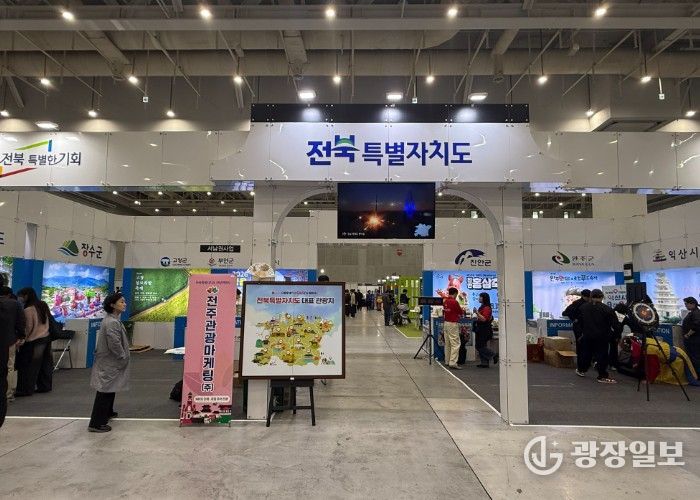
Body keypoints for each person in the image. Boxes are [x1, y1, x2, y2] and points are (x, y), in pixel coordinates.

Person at [88, 292, 131, 433]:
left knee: (110, 387)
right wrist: (122, 356)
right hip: (110, 362)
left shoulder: (112, 320)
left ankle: (107, 412)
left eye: (124, 301)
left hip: (110, 362)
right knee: (105, 390)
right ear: (112, 305)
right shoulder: (112, 322)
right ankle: (96, 423)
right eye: (121, 302)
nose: (124, 304)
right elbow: (114, 343)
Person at [15, 287, 51, 397]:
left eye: (21, 296)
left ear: (26, 296)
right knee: (44, 365)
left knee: (28, 366)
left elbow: (28, 327)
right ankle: (44, 386)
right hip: (45, 338)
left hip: (33, 340)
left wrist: (22, 340)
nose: (20, 298)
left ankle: (26, 389)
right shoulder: (42, 305)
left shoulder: (28, 310)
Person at [576, 289, 617, 383]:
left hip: (587, 335)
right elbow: (615, 325)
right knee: (602, 355)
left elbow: (578, 322)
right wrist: (615, 335)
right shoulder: (607, 309)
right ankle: (602, 376)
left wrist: (580, 334)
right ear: (602, 297)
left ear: (591, 296)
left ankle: (581, 370)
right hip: (602, 336)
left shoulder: (583, 307)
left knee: (586, 353)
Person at [0, 286, 25, 428]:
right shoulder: (13, 304)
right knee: (9, 367)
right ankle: (8, 394)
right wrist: (21, 336)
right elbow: (21, 322)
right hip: (8, 341)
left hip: (7, 340)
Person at [473, 292, 497, 368]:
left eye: (480, 297)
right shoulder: (482, 307)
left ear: (484, 298)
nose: (479, 298)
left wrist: (477, 313)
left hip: (484, 329)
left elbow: (484, 319)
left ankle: (493, 354)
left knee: (479, 346)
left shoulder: (486, 308)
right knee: (482, 345)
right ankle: (484, 363)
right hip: (481, 328)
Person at [442, 287, 464, 370]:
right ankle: (453, 362)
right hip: (452, 323)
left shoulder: (445, 301)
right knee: (455, 344)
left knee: (447, 343)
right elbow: (460, 312)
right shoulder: (454, 302)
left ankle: (447, 361)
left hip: (446, 323)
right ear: (455, 293)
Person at [681, 297, 700, 374]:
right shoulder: (693, 312)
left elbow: (696, 325)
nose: (685, 306)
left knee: (695, 358)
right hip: (692, 340)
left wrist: (688, 335)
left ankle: (697, 376)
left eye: (686, 304)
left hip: (694, 340)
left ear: (692, 304)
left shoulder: (696, 313)